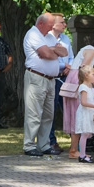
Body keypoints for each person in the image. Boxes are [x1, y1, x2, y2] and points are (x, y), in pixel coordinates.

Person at [22, 13, 67, 156]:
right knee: (34, 113)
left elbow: (64, 52)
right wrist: (53, 51)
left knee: (48, 114)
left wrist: (51, 50)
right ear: (41, 23)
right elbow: (46, 54)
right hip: (36, 78)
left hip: (50, 80)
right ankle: (29, 145)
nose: (52, 27)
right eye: (50, 24)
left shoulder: (48, 37)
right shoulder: (33, 34)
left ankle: (44, 144)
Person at [62, 38, 94, 158]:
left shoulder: (87, 49)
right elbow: (84, 68)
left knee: (75, 114)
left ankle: (76, 149)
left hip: (73, 80)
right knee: (78, 114)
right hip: (77, 80)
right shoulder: (92, 50)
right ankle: (73, 150)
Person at [48, 14, 74, 149]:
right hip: (53, 77)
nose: (65, 25)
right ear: (53, 24)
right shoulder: (46, 38)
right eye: (62, 22)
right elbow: (48, 59)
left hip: (65, 77)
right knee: (50, 110)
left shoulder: (65, 39)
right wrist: (63, 66)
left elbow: (71, 57)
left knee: (69, 108)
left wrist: (69, 67)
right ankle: (51, 140)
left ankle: (75, 140)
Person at [74, 65, 94, 164]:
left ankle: (83, 152)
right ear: (86, 75)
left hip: (89, 112)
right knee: (84, 134)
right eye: (93, 74)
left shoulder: (89, 87)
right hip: (85, 113)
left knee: (87, 133)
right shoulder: (83, 87)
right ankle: (82, 156)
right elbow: (83, 102)